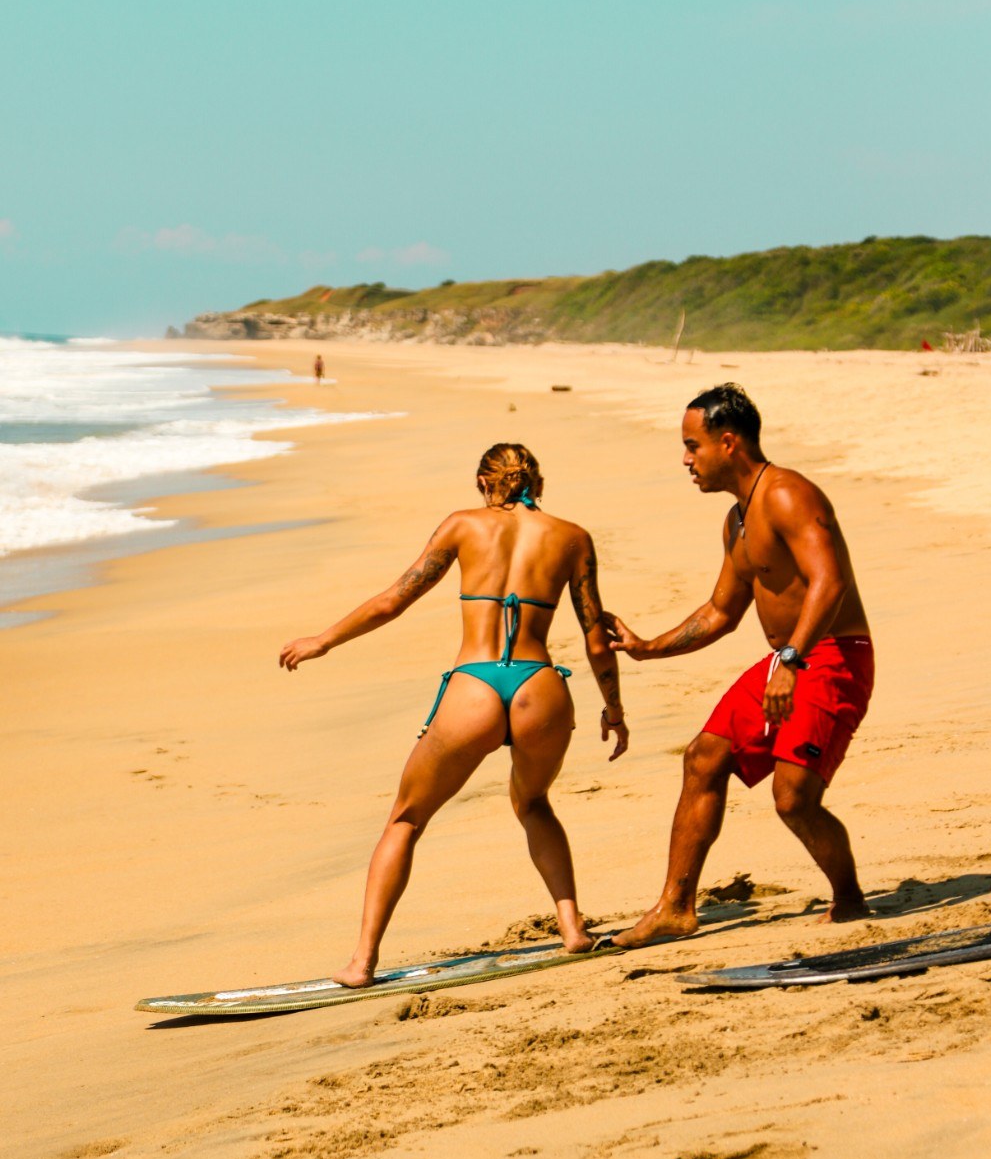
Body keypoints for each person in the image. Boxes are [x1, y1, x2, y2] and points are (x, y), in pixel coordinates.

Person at [279, 443, 629, 986]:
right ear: (537, 483)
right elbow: (596, 638)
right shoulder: (573, 537)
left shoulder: (462, 525)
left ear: (484, 482)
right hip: (540, 689)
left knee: (406, 819)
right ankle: (572, 929)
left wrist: (323, 640)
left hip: (474, 688)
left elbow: (394, 600)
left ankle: (362, 962)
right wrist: (614, 708)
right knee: (534, 803)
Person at [605, 383, 873, 945]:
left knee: (793, 799)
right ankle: (675, 908)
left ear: (728, 443)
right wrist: (648, 646)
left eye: (692, 446)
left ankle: (849, 898)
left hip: (831, 655)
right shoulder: (738, 519)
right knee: (704, 757)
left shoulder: (788, 494)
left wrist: (792, 660)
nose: (686, 460)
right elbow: (721, 611)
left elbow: (830, 581)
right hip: (789, 659)